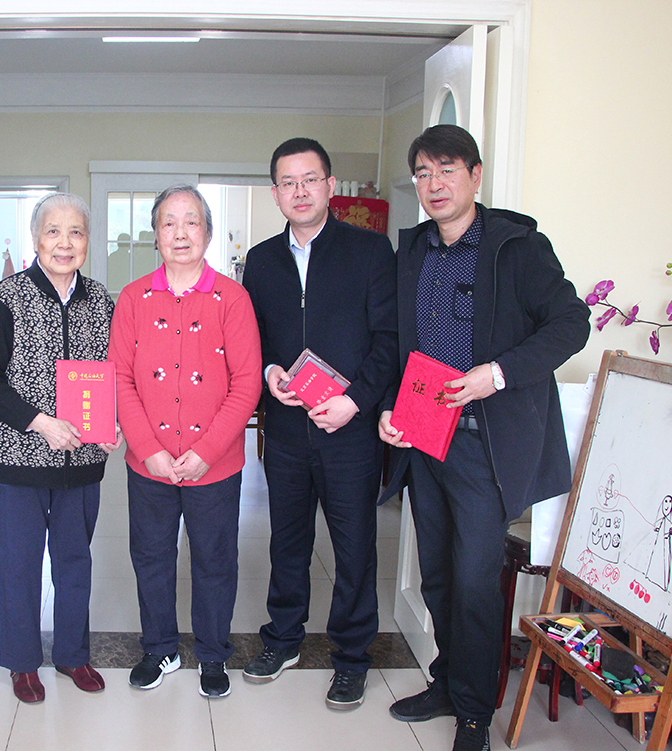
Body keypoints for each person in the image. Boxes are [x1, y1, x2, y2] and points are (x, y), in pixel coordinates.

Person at [378, 124, 589, 751]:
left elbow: (571, 324)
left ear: (474, 175)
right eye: (423, 173)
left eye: (447, 170)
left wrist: (495, 375)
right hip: (424, 436)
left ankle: (474, 713)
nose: (434, 184)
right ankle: (447, 682)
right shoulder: (413, 250)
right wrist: (391, 410)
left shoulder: (517, 247)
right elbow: (402, 344)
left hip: (483, 444)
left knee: (474, 581)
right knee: (438, 576)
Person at [240, 137, 397, 710]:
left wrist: (355, 401)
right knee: (287, 541)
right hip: (285, 431)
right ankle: (282, 639)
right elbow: (251, 339)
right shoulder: (261, 260)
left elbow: (389, 341)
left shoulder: (370, 251)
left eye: (310, 180)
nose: (300, 191)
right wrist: (269, 372)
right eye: (288, 182)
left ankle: (352, 658)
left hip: (349, 431)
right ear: (275, 193)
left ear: (330, 186)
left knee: (354, 549)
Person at [108, 185, 261, 699]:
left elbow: (247, 383)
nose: (180, 232)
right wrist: (147, 447)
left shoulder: (232, 298)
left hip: (215, 464)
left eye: (191, 221)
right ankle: (160, 649)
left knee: (215, 560)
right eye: (169, 222)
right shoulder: (133, 298)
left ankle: (213, 654)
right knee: (151, 556)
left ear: (207, 233)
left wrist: (206, 451)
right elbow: (119, 377)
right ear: (156, 235)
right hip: (147, 462)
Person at [0, 193, 119, 704]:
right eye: (54, 231)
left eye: (76, 232)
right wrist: (39, 423)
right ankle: (22, 661)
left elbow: (114, 375)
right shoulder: (6, 297)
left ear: (87, 241)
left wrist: (113, 421)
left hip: (81, 462)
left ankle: (73, 653)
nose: (65, 243)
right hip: (18, 460)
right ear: (36, 239)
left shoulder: (101, 302)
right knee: (19, 564)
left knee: (75, 562)